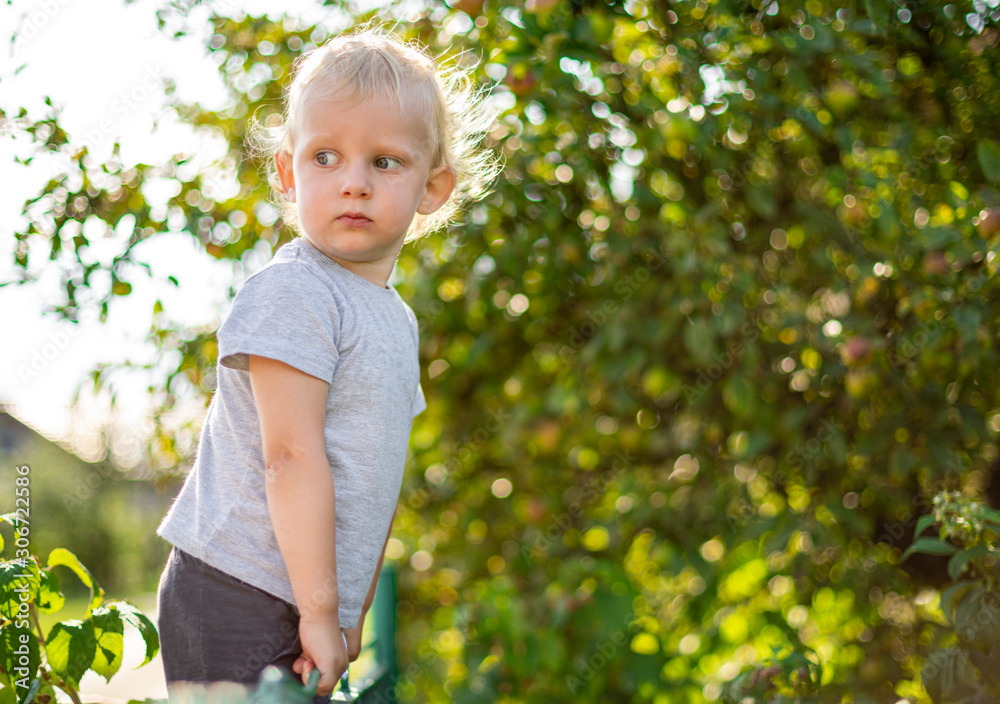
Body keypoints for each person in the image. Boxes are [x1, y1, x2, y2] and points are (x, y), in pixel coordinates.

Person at [155, 26, 497, 701]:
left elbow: (377, 479)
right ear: (288, 173)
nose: (354, 184)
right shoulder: (295, 292)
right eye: (326, 157)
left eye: (385, 162)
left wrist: (348, 615)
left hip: (308, 597)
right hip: (234, 583)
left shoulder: (395, 321)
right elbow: (290, 456)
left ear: (434, 188)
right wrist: (319, 609)